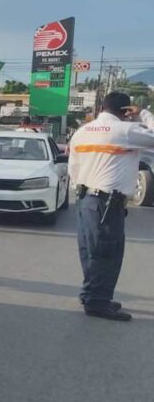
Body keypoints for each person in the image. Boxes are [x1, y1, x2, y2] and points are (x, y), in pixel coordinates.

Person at [68, 91, 154, 322]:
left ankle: (92, 295)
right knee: (107, 253)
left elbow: (73, 167)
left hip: (86, 199)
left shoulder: (82, 131)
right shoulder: (124, 131)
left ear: (103, 107)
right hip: (107, 203)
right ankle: (97, 303)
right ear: (126, 111)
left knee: (90, 251)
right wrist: (143, 113)